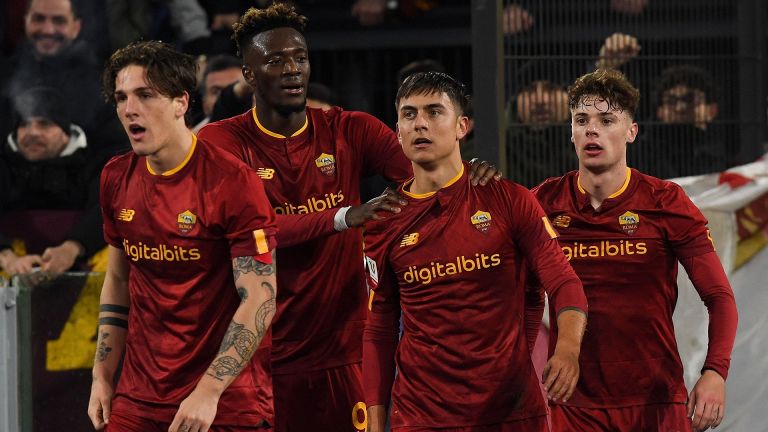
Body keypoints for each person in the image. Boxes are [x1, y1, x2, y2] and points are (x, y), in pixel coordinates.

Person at [198, 4, 500, 431]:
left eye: (300, 58)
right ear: (248, 74)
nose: (292, 69)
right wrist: (342, 217)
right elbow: (252, 230)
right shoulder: (221, 142)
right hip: (257, 358)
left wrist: (468, 175)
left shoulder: (349, 129)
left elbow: (428, 178)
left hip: (343, 354)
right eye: (276, 60)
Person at [362, 71, 588, 431]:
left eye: (434, 111)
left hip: (511, 412)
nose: (420, 123)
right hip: (422, 417)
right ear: (398, 131)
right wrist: (374, 419)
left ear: (461, 126)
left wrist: (568, 349)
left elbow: (563, 281)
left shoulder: (510, 199)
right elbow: (379, 326)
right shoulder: (383, 221)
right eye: (409, 114)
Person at [532, 68, 738, 432]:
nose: (592, 130)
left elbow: (719, 297)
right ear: (571, 132)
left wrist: (715, 372)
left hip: (656, 402)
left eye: (606, 120)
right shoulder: (541, 204)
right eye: (582, 120)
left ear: (632, 131)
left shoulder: (665, 201)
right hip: (572, 406)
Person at [87, 41, 278, 431]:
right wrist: (102, 376)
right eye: (121, 97)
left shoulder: (232, 181)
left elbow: (261, 296)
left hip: (225, 400)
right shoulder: (115, 177)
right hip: (138, 397)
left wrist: (208, 392)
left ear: (181, 102)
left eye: (145, 95)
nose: (130, 109)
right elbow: (119, 280)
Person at [0, 86, 108, 275]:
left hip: (86, 269)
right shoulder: (4, 165)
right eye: (24, 124)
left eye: (45, 124)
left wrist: (72, 248)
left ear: (66, 133)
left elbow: (107, 208)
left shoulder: (96, 163)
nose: (32, 132)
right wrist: (7, 257)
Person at [0, 0, 126, 154]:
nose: (48, 30)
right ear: (26, 21)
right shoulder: (5, 76)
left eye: (59, 21)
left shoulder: (102, 86)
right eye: (39, 19)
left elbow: (115, 150)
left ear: (76, 27)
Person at [193, 54, 243, 132]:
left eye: (234, 88)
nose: (227, 97)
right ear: (204, 103)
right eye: (216, 91)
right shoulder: (191, 138)